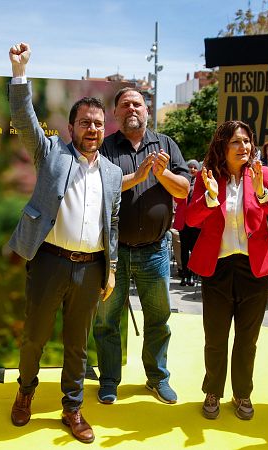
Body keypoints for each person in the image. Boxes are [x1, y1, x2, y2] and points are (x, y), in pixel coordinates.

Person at [7, 43, 121, 444]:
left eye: (97, 122)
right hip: (49, 261)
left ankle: (72, 409)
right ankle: (25, 391)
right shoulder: (51, 152)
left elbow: (114, 224)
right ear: (71, 127)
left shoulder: (110, 172)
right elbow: (23, 119)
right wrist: (20, 72)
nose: (92, 128)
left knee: (77, 345)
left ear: (104, 128)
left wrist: (110, 269)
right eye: (85, 122)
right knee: (34, 336)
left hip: (91, 268)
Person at [185, 120, 268, 420]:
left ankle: (242, 392)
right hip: (217, 268)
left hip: (253, 269)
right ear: (222, 146)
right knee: (215, 337)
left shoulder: (264, 175)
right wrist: (208, 197)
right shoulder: (208, 177)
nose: (243, 147)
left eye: (246, 141)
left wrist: (262, 194)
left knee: (247, 338)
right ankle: (213, 391)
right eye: (236, 142)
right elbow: (191, 219)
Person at [93, 86, 190, 406]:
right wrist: (138, 176)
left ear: (147, 110)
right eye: (125, 105)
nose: (132, 108)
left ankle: (157, 378)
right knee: (107, 321)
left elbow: (183, 190)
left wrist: (161, 174)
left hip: (155, 250)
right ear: (116, 114)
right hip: (114, 252)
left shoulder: (166, 145)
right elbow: (101, 188)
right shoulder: (105, 147)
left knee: (158, 318)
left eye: (138, 103)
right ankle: (109, 380)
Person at [173, 159, 201, 286]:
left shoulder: (201, 182)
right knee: (183, 249)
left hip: (196, 222)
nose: (192, 170)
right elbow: (177, 199)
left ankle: (193, 275)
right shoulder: (182, 181)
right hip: (183, 221)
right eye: (190, 167)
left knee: (195, 249)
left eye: (195, 167)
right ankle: (185, 274)